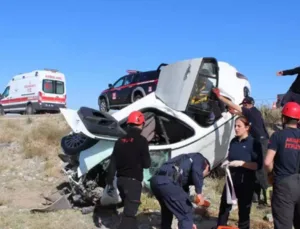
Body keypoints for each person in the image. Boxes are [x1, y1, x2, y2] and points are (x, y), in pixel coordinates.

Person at [212, 88, 269, 206]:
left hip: (261, 142)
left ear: (247, 104)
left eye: (243, 105)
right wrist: (235, 113)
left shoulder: (250, 110)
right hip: (263, 141)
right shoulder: (254, 112)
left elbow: (235, 107)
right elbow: (241, 113)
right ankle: (257, 197)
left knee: (260, 170)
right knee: (257, 169)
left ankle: (266, 198)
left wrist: (220, 97)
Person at [213, 116, 263, 229]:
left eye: (239, 126)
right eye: (235, 126)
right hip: (231, 180)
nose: (236, 128)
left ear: (247, 128)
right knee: (224, 207)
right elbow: (230, 157)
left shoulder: (254, 143)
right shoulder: (233, 141)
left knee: (244, 212)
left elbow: (258, 165)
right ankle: (220, 226)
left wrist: (242, 163)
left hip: (246, 181)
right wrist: (226, 162)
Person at [106, 110, 151, 229]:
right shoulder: (142, 141)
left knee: (128, 209)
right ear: (141, 124)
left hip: (120, 181)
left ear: (129, 124)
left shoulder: (119, 141)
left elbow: (113, 162)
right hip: (133, 182)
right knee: (130, 214)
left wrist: (109, 180)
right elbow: (147, 164)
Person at [149, 152, 210, 229]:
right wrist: (199, 193)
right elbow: (196, 171)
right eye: (204, 175)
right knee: (186, 214)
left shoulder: (184, 164)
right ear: (207, 166)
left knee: (167, 210)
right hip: (167, 181)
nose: (202, 177)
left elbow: (184, 198)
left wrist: (190, 223)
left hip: (156, 181)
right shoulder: (199, 158)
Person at [264, 102, 300, 229]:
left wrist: (270, 174)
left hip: (284, 185)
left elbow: (267, 162)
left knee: (283, 225)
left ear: (283, 118)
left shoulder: (278, 136)